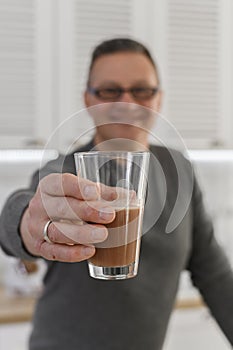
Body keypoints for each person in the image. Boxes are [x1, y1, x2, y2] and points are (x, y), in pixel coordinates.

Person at [0, 38, 233, 350]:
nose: (126, 103)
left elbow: (214, 275)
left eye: (141, 90)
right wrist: (27, 224)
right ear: (88, 99)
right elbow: (21, 214)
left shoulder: (180, 170)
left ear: (159, 99)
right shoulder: (64, 169)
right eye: (110, 91)